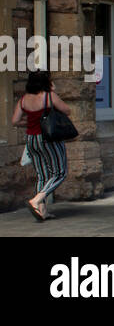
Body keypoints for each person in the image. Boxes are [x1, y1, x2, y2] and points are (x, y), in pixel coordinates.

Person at [10, 70, 72, 222]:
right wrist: (52, 90)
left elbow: (15, 121)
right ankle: (37, 200)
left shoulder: (23, 100)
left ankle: (42, 211)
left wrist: (31, 122)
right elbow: (67, 110)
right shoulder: (49, 96)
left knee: (42, 175)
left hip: (31, 139)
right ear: (46, 82)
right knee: (60, 173)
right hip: (48, 139)